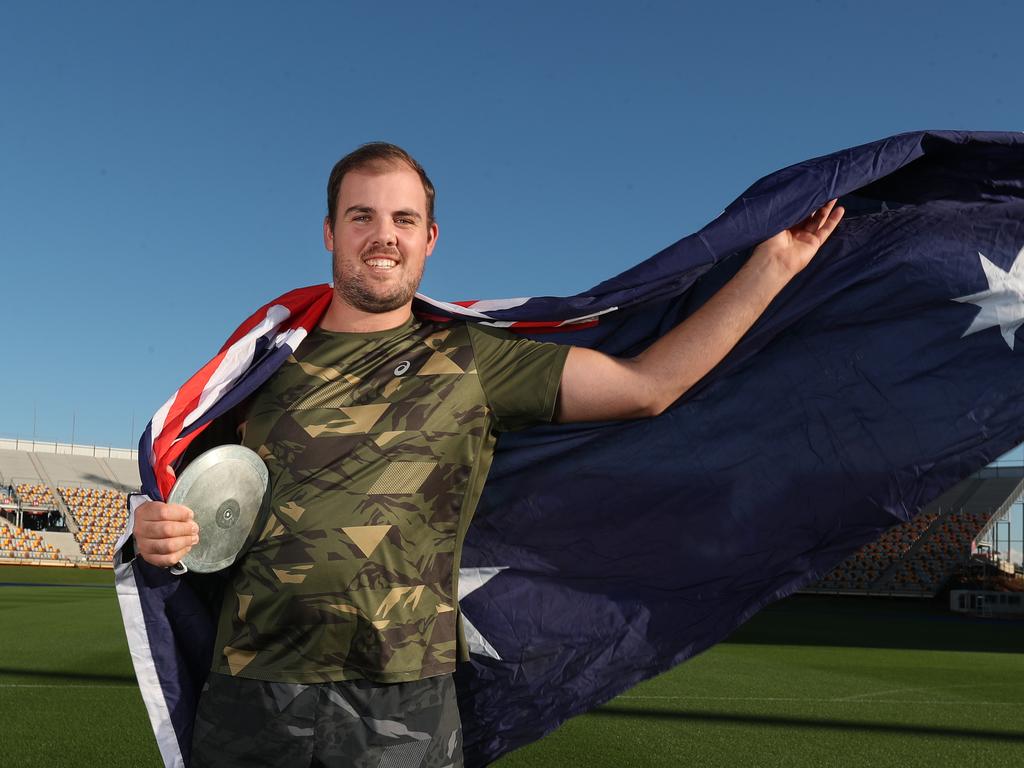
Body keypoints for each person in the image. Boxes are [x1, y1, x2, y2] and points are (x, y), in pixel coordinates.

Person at [131, 142, 843, 767]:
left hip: (401, 702)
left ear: (430, 237)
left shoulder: (474, 359)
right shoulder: (258, 365)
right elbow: (194, 498)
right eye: (362, 217)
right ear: (329, 232)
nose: (384, 236)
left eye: (403, 219)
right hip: (253, 691)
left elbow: (647, 386)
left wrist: (774, 266)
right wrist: (159, 532)